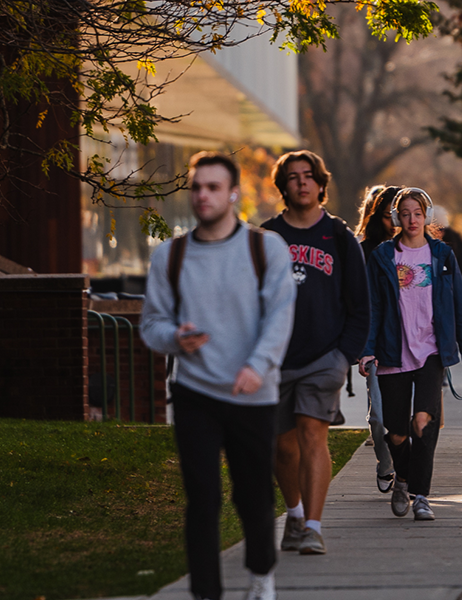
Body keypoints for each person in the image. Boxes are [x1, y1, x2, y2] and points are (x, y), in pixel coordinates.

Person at [140, 151, 296, 600]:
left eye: (212, 187)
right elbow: (152, 325)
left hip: (252, 392)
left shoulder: (264, 248)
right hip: (195, 393)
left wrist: (257, 366)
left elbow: (280, 317)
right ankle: (206, 593)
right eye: (196, 187)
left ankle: (261, 573)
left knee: (252, 497)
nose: (203, 195)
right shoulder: (171, 255)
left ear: (233, 194)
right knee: (202, 498)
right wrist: (175, 336)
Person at [262, 150, 371, 555]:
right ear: (283, 186)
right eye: (293, 177)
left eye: (309, 176)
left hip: (325, 357)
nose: (302, 182)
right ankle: (293, 513)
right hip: (276, 358)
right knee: (282, 447)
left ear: (321, 185)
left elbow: (360, 306)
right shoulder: (267, 237)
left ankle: (313, 526)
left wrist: (345, 355)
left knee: (312, 434)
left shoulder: (339, 238)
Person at [361, 187, 462, 520]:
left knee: (424, 421)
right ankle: (402, 478)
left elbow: (459, 305)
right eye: (405, 213)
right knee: (397, 432)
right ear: (396, 217)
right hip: (391, 352)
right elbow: (372, 307)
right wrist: (367, 350)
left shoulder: (442, 254)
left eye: (417, 213)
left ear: (426, 216)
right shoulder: (383, 256)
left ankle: (422, 496)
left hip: (431, 351)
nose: (411, 219)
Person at [354, 184, 399, 495]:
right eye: (388, 217)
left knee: (412, 419)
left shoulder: (421, 249)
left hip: (414, 346)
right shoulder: (364, 250)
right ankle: (386, 464)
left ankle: (407, 476)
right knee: (379, 418)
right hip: (376, 345)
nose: (395, 224)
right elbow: (355, 301)